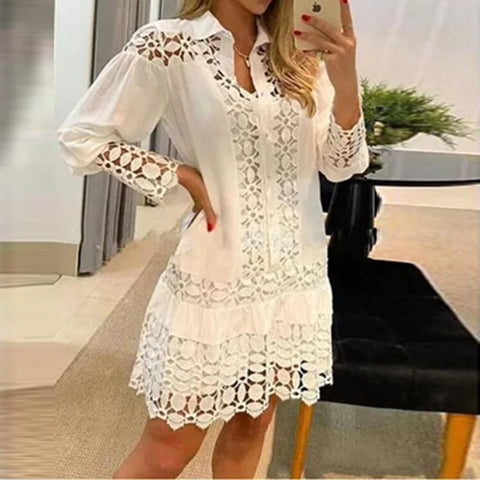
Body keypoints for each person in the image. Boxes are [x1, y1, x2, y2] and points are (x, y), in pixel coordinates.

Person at [57, 0, 368, 477]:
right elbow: (82, 136)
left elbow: (341, 165)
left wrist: (345, 79)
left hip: (292, 282)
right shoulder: (169, 45)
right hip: (214, 280)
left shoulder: (297, 54)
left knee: (252, 428)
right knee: (168, 448)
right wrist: (177, 174)